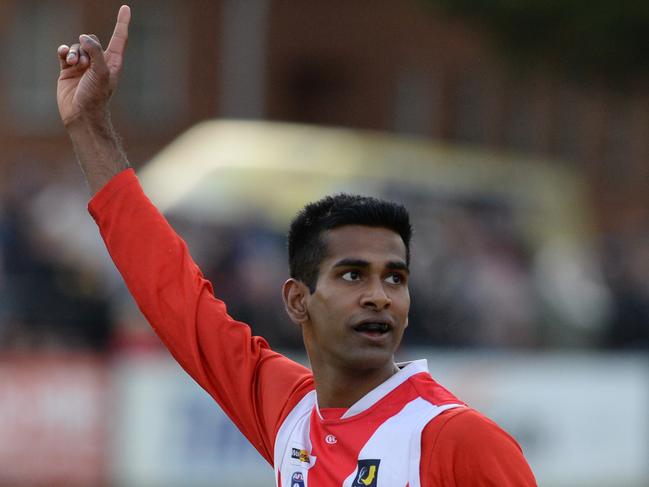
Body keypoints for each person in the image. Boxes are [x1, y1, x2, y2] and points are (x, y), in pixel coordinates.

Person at [56, 6, 536, 486]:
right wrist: (89, 126)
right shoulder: (288, 411)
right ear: (297, 299)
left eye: (395, 277)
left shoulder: (457, 439)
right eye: (353, 274)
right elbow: (172, 294)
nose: (379, 295)